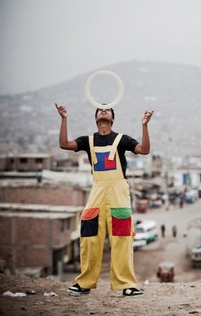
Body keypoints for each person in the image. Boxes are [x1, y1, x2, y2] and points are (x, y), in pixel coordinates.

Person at [55, 103, 153, 297]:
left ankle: (127, 284)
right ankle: (84, 283)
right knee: (89, 237)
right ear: (96, 118)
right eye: (100, 109)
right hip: (97, 192)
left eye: (107, 109)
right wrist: (64, 119)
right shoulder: (88, 141)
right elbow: (64, 144)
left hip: (119, 193)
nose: (103, 110)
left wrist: (144, 125)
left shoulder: (121, 139)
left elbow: (144, 150)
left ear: (112, 119)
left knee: (122, 239)